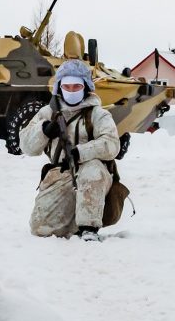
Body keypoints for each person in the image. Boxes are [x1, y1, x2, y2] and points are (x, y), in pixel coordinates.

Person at [19, 60, 120, 241]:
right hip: (61, 174)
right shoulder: (47, 113)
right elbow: (26, 147)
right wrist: (43, 130)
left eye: (76, 86)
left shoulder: (97, 114)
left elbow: (112, 144)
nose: (71, 91)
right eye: (67, 86)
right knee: (40, 228)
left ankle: (88, 227)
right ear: (59, 87)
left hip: (91, 174)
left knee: (92, 169)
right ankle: (75, 218)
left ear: (85, 87)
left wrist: (81, 153)